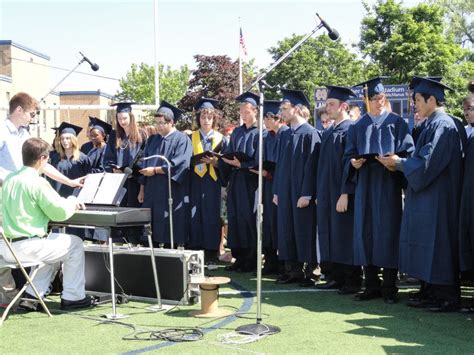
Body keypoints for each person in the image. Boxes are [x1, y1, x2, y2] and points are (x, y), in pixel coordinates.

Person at [379, 76, 464, 312]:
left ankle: (446, 296)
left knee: (439, 244)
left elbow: (427, 163)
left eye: (417, 99)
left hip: (440, 197)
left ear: (431, 99)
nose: (414, 104)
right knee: (428, 243)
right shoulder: (431, 124)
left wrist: (400, 164)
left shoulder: (444, 125)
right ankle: (429, 290)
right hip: (428, 196)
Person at [0, 93, 83, 301]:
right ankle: (9, 295)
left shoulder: (25, 136)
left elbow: (40, 162)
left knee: (41, 242)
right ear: (19, 110)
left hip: (16, 189)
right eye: (32, 113)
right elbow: (61, 212)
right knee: (64, 244)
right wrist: (13, 180)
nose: (33, 118)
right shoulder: (2, 131)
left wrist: (69, 182)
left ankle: (29, 294)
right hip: (9, 191)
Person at [0, 137, 94, 311]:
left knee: (53, 246)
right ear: (42, 159)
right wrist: (72, 200)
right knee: (74, 244)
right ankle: (74, 297)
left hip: (8, 248)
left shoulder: (9, 180)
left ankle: (32, 296)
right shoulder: (38, 182)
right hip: (27, 247)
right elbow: (59, 212)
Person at [343, 77, 414, 303]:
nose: (378, 102)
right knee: (366, 233)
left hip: (388, 186)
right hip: (365, 185)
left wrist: (396, 162)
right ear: (366, 101)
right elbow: (348, 155)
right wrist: (352, 163)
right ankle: (371, 285)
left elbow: (408, 154)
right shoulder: (358, 126)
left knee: (388, 233)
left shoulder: (398, 123)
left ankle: (389, 287)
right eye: (373, 99)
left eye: (381, 97)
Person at [315, 86, 362, 294]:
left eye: (332, 105)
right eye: (327, 105)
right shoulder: (329, 132)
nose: (328, 108)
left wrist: (345, 192)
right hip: (327, 193)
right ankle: (335, 275)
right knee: (330, 233)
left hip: (342, 194)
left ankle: (351, 279)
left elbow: (350, 166)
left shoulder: (351, 130)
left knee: (344, 234)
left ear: (343, 106)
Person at [272, 89, 320, 286]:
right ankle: (293, 271)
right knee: (287, 229)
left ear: (297, 109)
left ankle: (311, 272)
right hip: (285, 191)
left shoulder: (311, 133)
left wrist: (307, 193)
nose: (281, 112)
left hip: (302, 192)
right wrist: (276, 190)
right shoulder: (285, 134)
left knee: (304, 230)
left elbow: (313, 166)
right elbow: (279, 165)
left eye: (285, 108)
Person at [138, 101, 192, 247]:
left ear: (171, 122)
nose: (158, 126)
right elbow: (144, 163)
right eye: (156, 123)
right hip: (152, 190)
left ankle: (170, 256)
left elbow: (180, 164)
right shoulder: (152, 140)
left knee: (170, 226)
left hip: (171, 190)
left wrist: (155, 171)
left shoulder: (182, 139)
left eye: (162, 123)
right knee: (151, 226)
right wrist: (142, 189)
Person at [219, 92, 260, 272]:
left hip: (250, 181)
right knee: (234, 218)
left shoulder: (261, 133)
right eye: (241, 112)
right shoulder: (237, 131)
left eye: (246, 112)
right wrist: (222, 160)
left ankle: (251, 260)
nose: (243, 115)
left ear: (255, 111)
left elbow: (260, 160)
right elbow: (229, 152)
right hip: (236, 180)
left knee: (247, 219)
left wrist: (242, 164)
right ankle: (238, 258)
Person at [188, 98, 228, 269]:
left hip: (213, 183)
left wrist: (216, 163)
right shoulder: (190, 137)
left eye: (209, 118)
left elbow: (226, 164)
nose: (206, 121)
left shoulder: (221, 139)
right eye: (203, 118)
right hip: (195, 182)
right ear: (199, 119)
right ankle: (196, 251)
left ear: (214, 120)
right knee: (195, 215)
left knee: (212, 217)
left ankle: (212, 253)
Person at [257, 100, 288, 275]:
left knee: (280, 224)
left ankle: (284, 265)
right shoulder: (266, 137)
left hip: (281, 185)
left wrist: (269, 174)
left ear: (275, 118)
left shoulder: (286, 134)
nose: (265, 122)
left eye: (267, 118)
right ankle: (270, 262)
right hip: (268, 185)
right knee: (268, 223)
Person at [104, 102, 146, 207]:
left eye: (125, 118)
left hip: (135, 182)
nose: (122, 121)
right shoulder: (114, 136)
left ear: (131, 117)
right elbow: (108, 158)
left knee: (134, 214)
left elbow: (144, 159)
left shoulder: (142, 135)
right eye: (119, 119)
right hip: (118, 182)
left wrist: (135, 174)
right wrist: (113, 169)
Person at [49, 122, 92, 198]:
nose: (65, 141)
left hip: (76, 196)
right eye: (62, 139)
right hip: (57, 196)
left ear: (73, 140)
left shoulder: (83, 158)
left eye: (68, 138)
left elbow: (88, 179)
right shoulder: (55, 158)